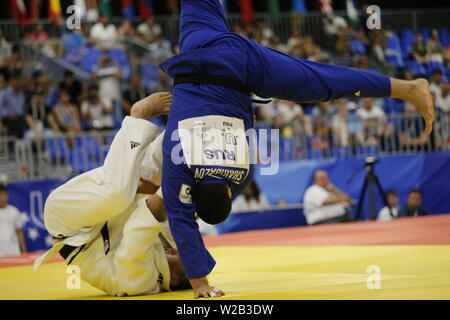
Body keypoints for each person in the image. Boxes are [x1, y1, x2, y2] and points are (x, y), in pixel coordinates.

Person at [158, 0, 434, 298]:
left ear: (227, 192)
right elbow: (180, 218)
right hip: (198, 49)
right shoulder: (179, 162)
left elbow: (247, 123)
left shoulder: (241, 173)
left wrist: (202, 283)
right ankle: (406, 87)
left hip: (241, 67)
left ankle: (405, 88)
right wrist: (200, 284)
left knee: (317, 80)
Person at [34, 92, 193, 296]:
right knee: (170, 163)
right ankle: (194, 117)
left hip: (70, 225)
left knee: (118, 193)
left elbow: (139, 230)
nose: (190, 255)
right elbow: (157, 200)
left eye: (191, 263)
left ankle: (138, 117)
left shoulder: (139, 283)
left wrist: (180, 187)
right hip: (110, 210)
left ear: (177, 278)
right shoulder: (172, 247)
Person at [0, 184, 27, 257]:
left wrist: (24, 251)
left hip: (13, 249)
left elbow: (19, 232)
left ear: (7, 196)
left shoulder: (14, 211)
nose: (2, 197)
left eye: (4, 195)